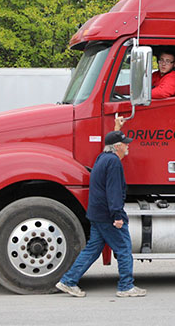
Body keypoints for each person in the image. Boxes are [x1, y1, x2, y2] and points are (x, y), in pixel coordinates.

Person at [56, 127, 146, 298]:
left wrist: (117, 127)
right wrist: (117, 215)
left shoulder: (102, 158)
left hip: (96, 214)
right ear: (117, 146)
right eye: (125, 144)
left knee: (92, 250)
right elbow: (113, 191)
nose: (128, 147)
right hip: (107, 215)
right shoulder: (114, 162)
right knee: (124, 248)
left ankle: (68, 281)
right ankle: (126, 286)